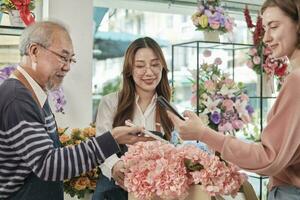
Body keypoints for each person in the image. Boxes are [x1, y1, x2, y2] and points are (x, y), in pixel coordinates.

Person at [0, 21, 151, 200]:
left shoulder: (35, 94)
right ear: (34, 51)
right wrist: (113, 139)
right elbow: (48, 164)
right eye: (63, 57)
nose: (67, 67)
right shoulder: (18, 98)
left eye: (71, 59)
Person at [167, 0, 300, 199]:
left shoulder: (296, 81)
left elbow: (268, 158)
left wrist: (203, 133)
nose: (267, 38)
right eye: (264, 29)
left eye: (274, 26)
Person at [92, 37, 174, 200]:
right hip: (113, 190)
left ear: (163, 67)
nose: (149, 72)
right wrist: (115, 166)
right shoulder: (110, 102)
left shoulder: (168, 110)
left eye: (155, 64)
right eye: (140, 66)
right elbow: (101, 144)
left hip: (152, 193)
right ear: (129, 70)